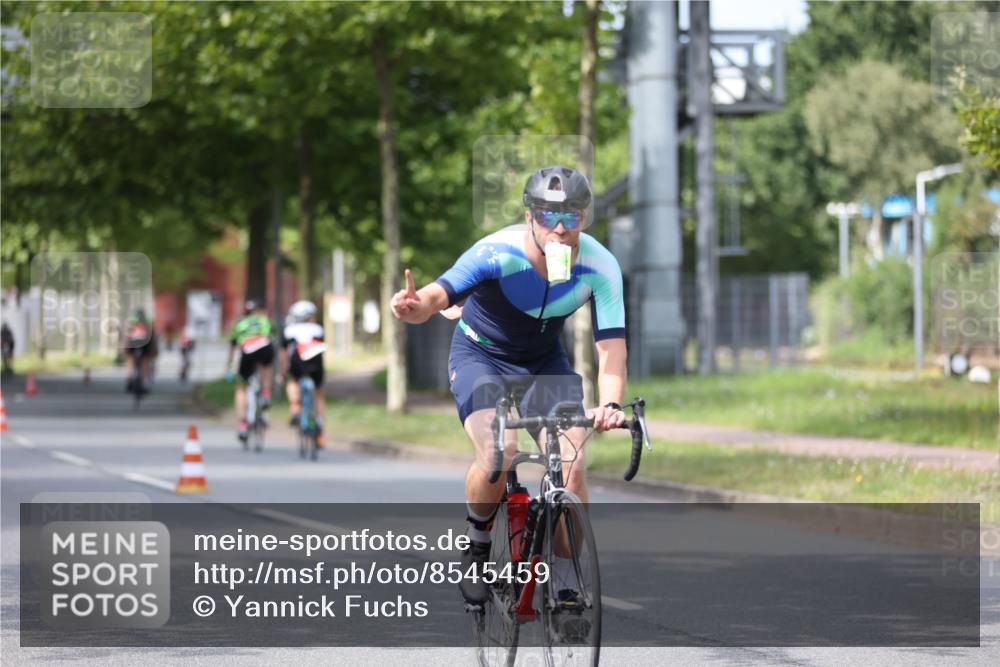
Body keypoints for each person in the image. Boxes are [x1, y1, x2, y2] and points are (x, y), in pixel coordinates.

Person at [390, 165, 628, 607]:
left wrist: (610, 404)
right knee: (499, 452)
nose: (560, 228)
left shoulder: (600, 265)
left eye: (571, 217)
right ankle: (478, 543)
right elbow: (439, 294)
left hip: (542, 363)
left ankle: (564, 579)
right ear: (529, 218)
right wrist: (414, 305)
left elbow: (612, 348)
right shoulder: (496, 251)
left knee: (573, 464)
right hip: (481, 356)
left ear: (584, 219)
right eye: (547, 216)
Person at [279, 300, 327, 448]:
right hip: (316, 363)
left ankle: (295, 407)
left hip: (297, 362)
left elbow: (284, 354)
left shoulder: (289, 330)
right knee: (318, 394)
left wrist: (282, 372)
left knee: (293, 381)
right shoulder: (318, 329)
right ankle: (319, 429)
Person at [225, 299, 275, 443]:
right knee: (266, 367)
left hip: (247, 350)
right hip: (264, 346)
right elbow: (272, 336)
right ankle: (266, 393)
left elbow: (233, 346)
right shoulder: (265, 320)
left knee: (241, 388)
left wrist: (228, 366)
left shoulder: (239, 324)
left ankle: (242, 424)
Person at [123, 309, 158, 393]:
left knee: (131, 361)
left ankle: (129, 379)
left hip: (132, 344)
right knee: (145, 362)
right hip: (145, 344)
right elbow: (152, 337)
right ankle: (144, 382)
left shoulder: (132, 321)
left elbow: (127, 336)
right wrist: (154, 350)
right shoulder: (147, 321)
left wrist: (125, 349)